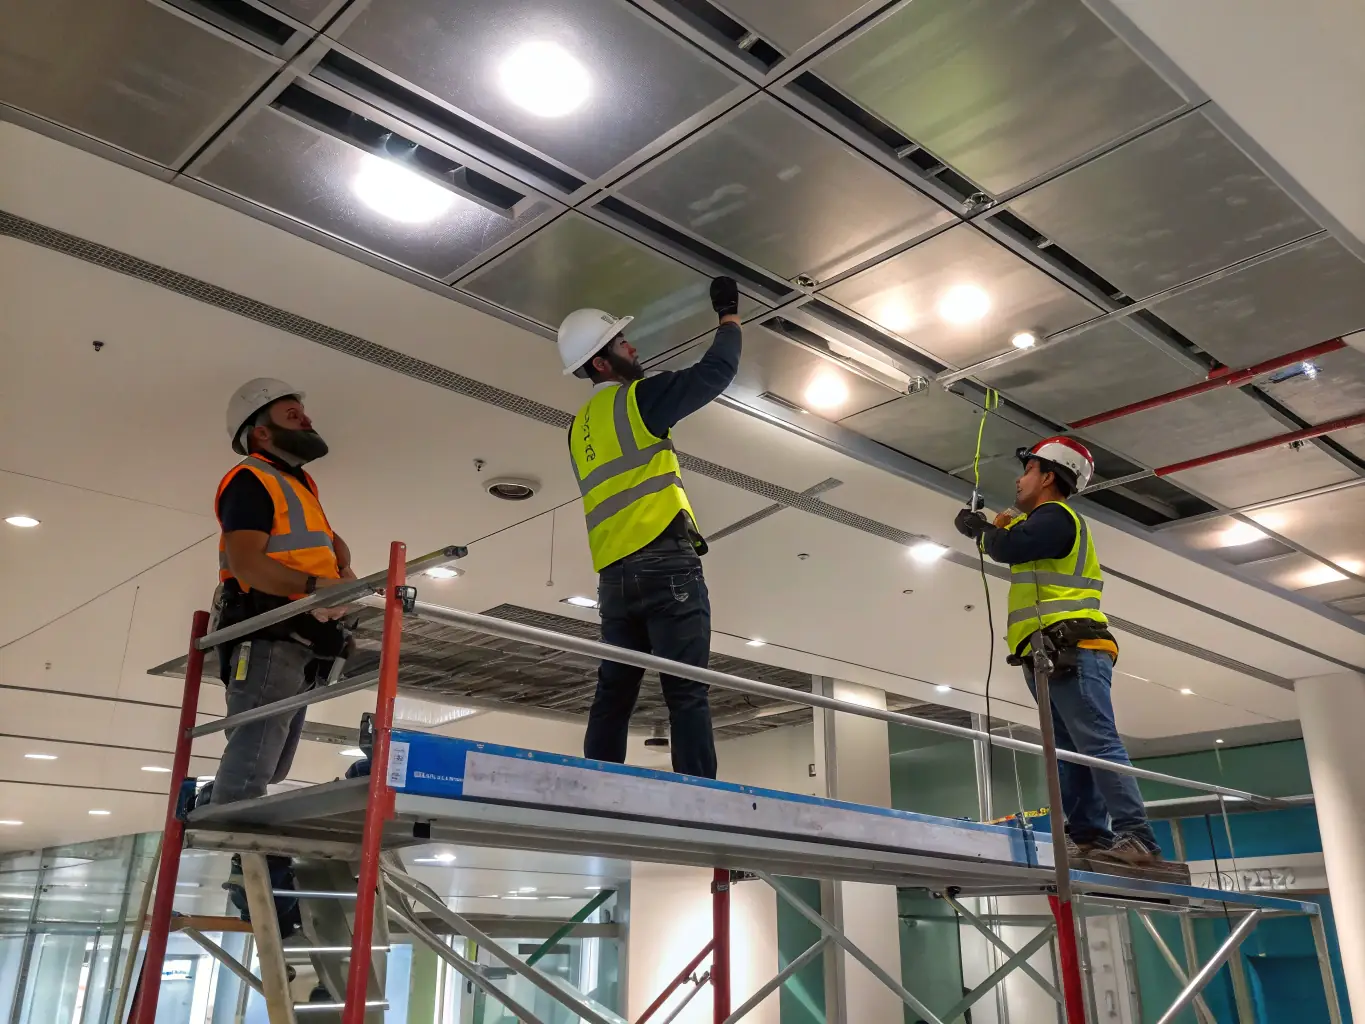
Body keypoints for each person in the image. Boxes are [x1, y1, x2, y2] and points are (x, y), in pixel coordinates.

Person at [558, 277, 742, 779]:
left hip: (614, 580)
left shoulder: (577, 431)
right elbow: (717, 371)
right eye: (621, 343)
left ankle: (595, 789)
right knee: (686, 688)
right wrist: (728, 316)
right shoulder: (637, 399)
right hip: (665, 565)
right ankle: (700, 798)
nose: (632, 346)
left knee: (613, 692)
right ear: (601, 361)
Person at [954, 437, 1165, 867]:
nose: (1019, 479)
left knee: (1097, 745)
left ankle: (1138, 837)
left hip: (1072, 649)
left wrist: (982, 530)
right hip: (1048, 655)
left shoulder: (1057, 517)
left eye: (1028, 470)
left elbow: (1009, 547)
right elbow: (1011, 543)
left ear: (1049, 476)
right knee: (1069, 752)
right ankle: (1088, 835)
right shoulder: (1042, 524)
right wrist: (991, 530)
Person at [210, 378, 355, 807]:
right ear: (261, 432)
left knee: (273, 762)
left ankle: (231, 826)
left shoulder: (300, 484)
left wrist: (342, 574)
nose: (308, 420)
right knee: (254, 754)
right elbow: (246, 563)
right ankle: (240, 847)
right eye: (293, 415)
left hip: (302, 633)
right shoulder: (250, 478)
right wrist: (317, 585)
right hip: (268, 629)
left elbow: (330, 545)